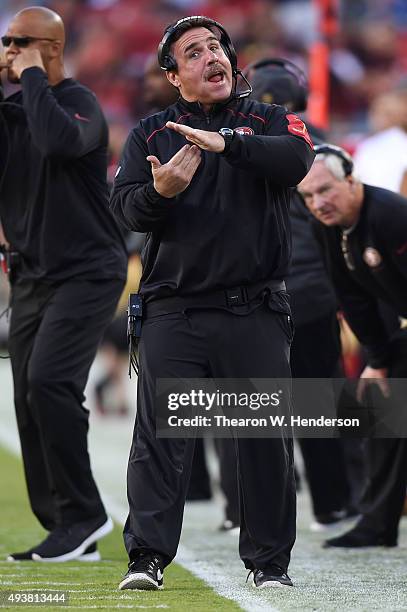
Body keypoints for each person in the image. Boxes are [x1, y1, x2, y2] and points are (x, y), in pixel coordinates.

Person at [110, 15, 314, 590]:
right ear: (175, 76)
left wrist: (227, 145)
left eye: (216, 47)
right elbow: (125, 210)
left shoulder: (270, 120)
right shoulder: (151, 132)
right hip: (173, 308)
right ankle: (146, 558)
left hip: (255, 307)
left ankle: (269, 564)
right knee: (161, 438)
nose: (212, 57)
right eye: (194, 53)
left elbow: (296, 160)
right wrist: (160, 192)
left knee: (263, 440)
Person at [0, 7, 127, 561]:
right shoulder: (10, 110)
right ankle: (67, 526)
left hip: (88, 271)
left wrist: (30, 75)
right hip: (30, 272)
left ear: (52, 48)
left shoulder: (79, 104)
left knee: (50, 381)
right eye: (5, 42)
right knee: (29, 395)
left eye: (20, 42)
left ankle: (86, 516)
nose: (8, 50)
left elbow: (54, 142)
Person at [215, 58, 355, 534]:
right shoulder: (324, 147)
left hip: (256, 290)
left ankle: (245, 510)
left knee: (250, 407)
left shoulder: (232, 138)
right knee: (319, 404)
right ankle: (333, 504)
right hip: (313, 290)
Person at [297, 144, 407, 547]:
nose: (318, 203)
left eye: (325, 190)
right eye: (308, 197)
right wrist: (378, 358)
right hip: (397, 327)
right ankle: (377, 524)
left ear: (350, 179)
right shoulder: (326, 226)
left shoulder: (392, 215)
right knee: (381, 406)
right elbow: (352, 297)